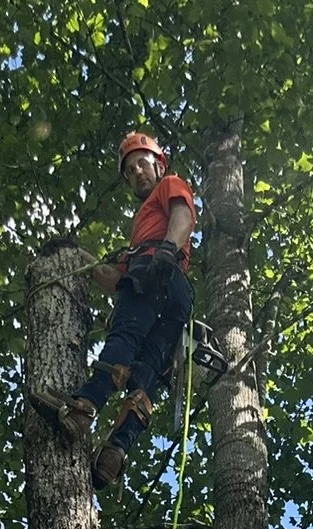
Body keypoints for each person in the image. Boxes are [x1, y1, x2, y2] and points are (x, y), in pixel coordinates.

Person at [37, 131, 195, 488]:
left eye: (143, 163)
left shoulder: (169, 185)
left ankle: (82, 409)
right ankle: (114, 453)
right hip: (174, 295)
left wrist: (168, 249)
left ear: (158, 164)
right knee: (147, 372)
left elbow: (183, 215)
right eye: (130, 170)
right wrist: (79, 257)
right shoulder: (143, 229)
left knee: (124, 336)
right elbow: (113, 280)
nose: (138, 172)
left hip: (159, 272)